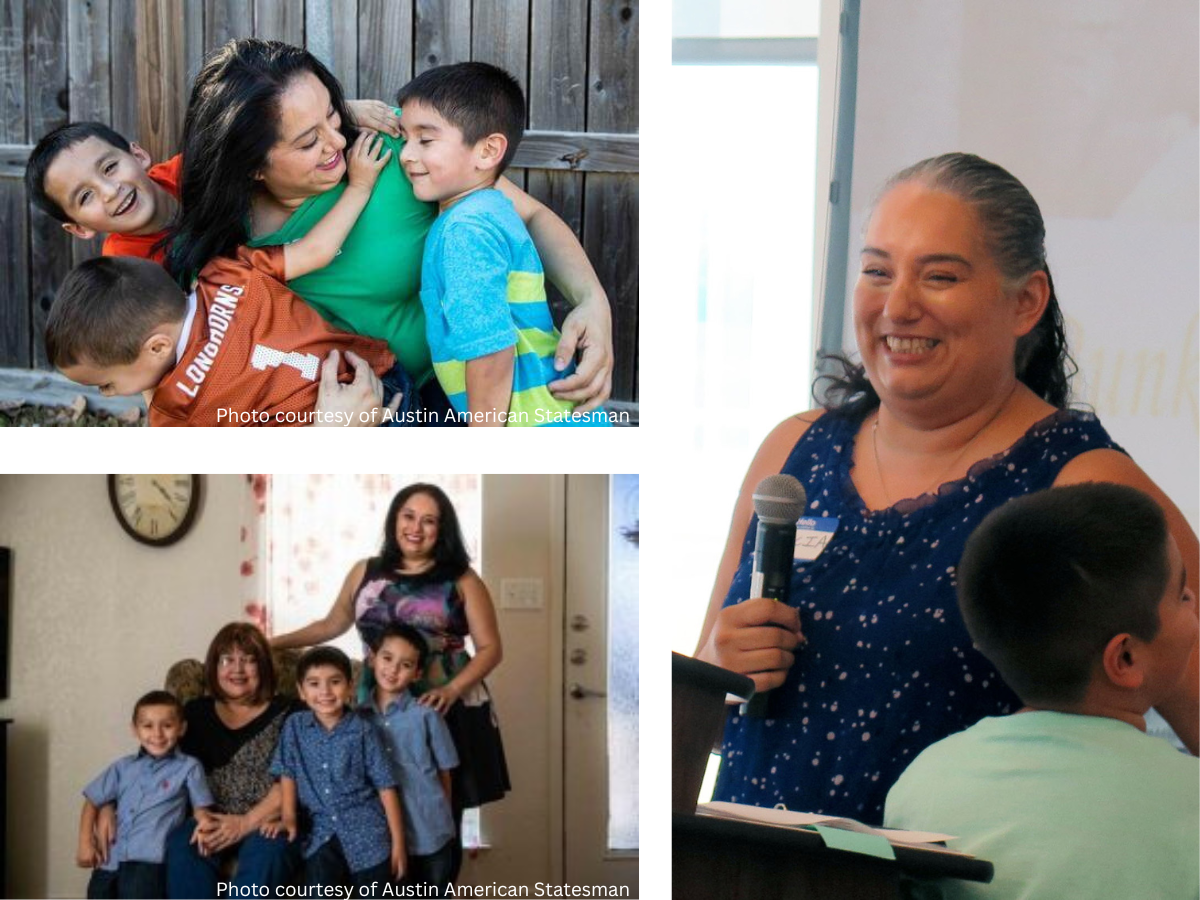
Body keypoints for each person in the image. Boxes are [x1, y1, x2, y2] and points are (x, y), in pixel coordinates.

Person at [693, 152, 1199, 825]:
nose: (897, 306)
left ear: (1025, 302)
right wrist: (716, 672)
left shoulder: (1082, 482)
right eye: (877, 271)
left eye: (939, 276)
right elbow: (700, 714)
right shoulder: (792, 451)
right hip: (747, 871)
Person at [166, 38, 614, 422]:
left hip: (487, 394)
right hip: (372, 412)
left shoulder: (402, 147)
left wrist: (593, 301)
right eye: (309, 141)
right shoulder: (219, 255)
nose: (338, 142)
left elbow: (528, 216)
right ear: (250, 166)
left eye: (333, 115)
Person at [884, 483, 1199, 899]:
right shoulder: (1188, 800)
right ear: (1125, 659)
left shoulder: (924, 780)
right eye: (1180, 595)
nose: (1194, 598)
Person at [271, 483, 508, 881]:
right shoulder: (366, 571)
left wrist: (449, 690)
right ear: (394, 519)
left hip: (444, 708)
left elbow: (490, 649)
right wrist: (272, 643)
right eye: (408, 516)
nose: (417, 527)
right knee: (380, 810)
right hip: (374, 708)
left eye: (429, 520)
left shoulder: (462, 579)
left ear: (443, 529)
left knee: (436, 815)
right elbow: (332, 624)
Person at [395, 62, 610, 427]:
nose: (406, 154)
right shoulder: (494, 207)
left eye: (425, 140)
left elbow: (491, 350)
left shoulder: (465, 230)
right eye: (404, 137)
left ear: (487, 151)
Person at [44, 248, 417, 426]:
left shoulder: (174, 416)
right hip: (384, 378)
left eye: (106, 384)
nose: (107, 394)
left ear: (157, 346)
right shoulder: (225, 272)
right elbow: (314, 249)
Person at [23, 102, 403, 264]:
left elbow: (259, 135)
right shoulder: (127, 265)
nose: (111, 191)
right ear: (79, 228)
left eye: (109, 168)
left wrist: (341, 111)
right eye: (86, 196)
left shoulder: (189, 170)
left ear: (138, 156)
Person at [162, 623, 302, 898]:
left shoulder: (293, 712)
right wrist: (105, 805)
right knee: (183, 845)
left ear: (264, 667)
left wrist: (244, 823)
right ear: (214, 667)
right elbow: (156, 763)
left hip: (268, 820)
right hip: (209, 817)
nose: (237, 670)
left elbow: (292, 781)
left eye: (249, 661)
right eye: (227, 659)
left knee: (269, 855)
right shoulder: (194, 712)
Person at [268, 646, 405, 889]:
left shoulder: (363, 730)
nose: (325, 692)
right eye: (314, 683)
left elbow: (386, 786)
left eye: (335, 682)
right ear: (301, 690)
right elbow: (287, 772)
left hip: (369, 835)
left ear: (350, 687)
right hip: (322, 834)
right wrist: (288, 817)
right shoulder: (294, 726)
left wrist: (398, 844)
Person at [77, 691, 214, 899]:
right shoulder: (123, 767)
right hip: (109, 859)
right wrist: (85, 843)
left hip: (148, 862)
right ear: (135, 729)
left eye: (167, 726)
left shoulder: (189, 767)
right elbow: (92, 800)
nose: (157, 734)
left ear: (181, 728)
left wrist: (204, 825)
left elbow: (201, 809)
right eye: (148, 726)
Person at [362, 623, 459, 896]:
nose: (393, 670)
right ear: (372, 658)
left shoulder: (427, 715)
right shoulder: (357, 719)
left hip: (431, 831)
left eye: (405, 665)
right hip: (385, 837)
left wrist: (444, 819)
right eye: (387, 658)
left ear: (417, 674)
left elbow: (445, 772)